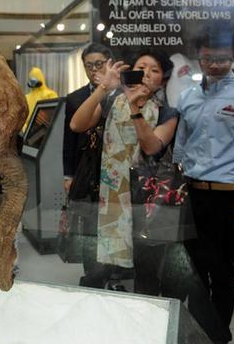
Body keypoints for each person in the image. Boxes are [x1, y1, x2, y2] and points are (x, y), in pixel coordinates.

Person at [173, 22, 234, 344]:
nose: (215, 65)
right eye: (208, 58)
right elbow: (180, 146)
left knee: (222, 272)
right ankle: (200, 331)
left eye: (223, 58)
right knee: (195, 273)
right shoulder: (187, 96)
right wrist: (175, 180)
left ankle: (218, 337)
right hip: (192, 196)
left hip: (226, 198)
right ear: (198, 55)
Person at [71, 49, 178, 294]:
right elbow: (77, 124)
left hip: (146, 203)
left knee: (147, 272)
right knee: (99, 269)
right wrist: (104, 88)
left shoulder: (168, 114)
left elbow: (151, 146)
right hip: (109, 199)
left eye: (155, 70)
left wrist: (134, 107)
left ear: (162, 79)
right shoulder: (111, 101)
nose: (147, 74)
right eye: (142, 68)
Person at [63, 43, 116, 288]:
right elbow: (70, 139)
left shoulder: (124, 93)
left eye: (99, 64)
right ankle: (92, 275)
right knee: (89, 225)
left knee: (114, 223)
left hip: (116, 169)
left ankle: (111, 275)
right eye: (88, 65)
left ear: (109, 63)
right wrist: (69, 174)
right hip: (87, 170)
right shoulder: (75, 98)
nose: (94, 69)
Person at [23, 66, 58, 132]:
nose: (33, 81)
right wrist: (25, 129)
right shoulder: (26, 98)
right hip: (29, 133)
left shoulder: (50, 95)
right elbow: (22, 118)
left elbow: (55, 116)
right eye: (31, 79)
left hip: (46, 131)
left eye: (35, 78)